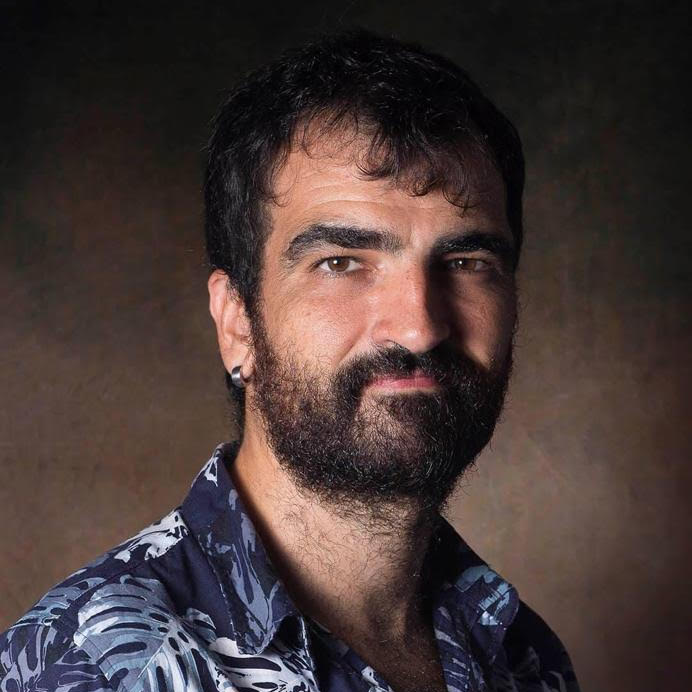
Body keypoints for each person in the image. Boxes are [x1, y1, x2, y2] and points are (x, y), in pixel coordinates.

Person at [0, 30, 580, 692]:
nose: (419, 327)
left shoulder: (522, 654)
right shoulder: (89, 666)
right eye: (341, 263)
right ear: (236, 322)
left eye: (466, 262)